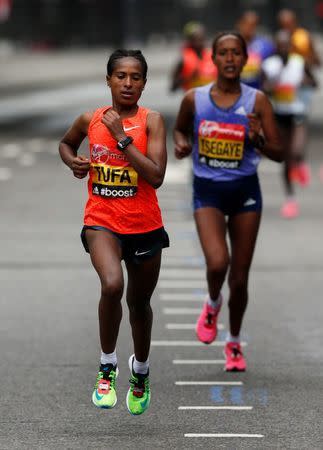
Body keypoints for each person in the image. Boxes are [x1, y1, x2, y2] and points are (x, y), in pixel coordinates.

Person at [59, 49, 169, 415]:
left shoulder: (152, 121)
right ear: (108, 80)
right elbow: (65, 143)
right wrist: (73, 160)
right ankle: (107, 366)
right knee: (111, 285)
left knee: (138, 304)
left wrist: (121, 138)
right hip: (101, 220)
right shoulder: (89, 119)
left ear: (144, 84)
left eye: (135, 77)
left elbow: (155, 175)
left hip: (144, 226)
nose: (127, 83)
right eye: (120, 76)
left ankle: (140, 370)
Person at [173, 31, 283, 371]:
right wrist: (181, 144)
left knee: (239, 277)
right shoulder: (195, 99)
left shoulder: (258, 102)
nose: (231, 58)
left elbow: (279, 153)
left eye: (237, 53)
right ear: (214, 59)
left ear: (246, 59)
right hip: (208, 190)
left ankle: (233, 343)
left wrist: (258, 139)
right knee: (218, 263)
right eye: (224, 53)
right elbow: (179, 130)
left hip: (245, 190)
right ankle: (211, 302)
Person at [262, 31, 307, 218]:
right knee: (286, 157)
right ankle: (290, 199)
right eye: (280, 45)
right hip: (279, 113)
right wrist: (273, 84)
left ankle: (299, 164)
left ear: (290, 46)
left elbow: (314, 81)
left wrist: (306, 81)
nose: (283, 49)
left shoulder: (299, 62)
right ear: (276, 47)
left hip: (296, 112)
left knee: (296, 151)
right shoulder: (269, 65)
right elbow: (263, 87)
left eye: (286, 45)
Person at [277, 9, 321, 187]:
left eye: (287, 22)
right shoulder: (281, 39)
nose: (285, 25)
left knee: (300, 121)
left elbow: (316, 59)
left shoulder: (303, 36)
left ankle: (299, 160)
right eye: (282, 22)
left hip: (302, 88)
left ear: (294, 21)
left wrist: (302, 63)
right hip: (287, 89)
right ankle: (295, 162)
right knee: (287, 126)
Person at [170, 21, 217, 92]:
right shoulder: (183, 60)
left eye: (201, 37)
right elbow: (172, 88)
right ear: (189, 39)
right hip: (192, 101)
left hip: (213, 99)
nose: (198, 41)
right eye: (195, 38)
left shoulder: (213, 56)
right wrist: (189, 78)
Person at [236, 10, 275, 89]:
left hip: (256, 90)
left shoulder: (265, 45)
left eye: (253, 25)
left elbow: (272, 66)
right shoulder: (229, 44)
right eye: (247, 24)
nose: (249, 28)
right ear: (239, 24)